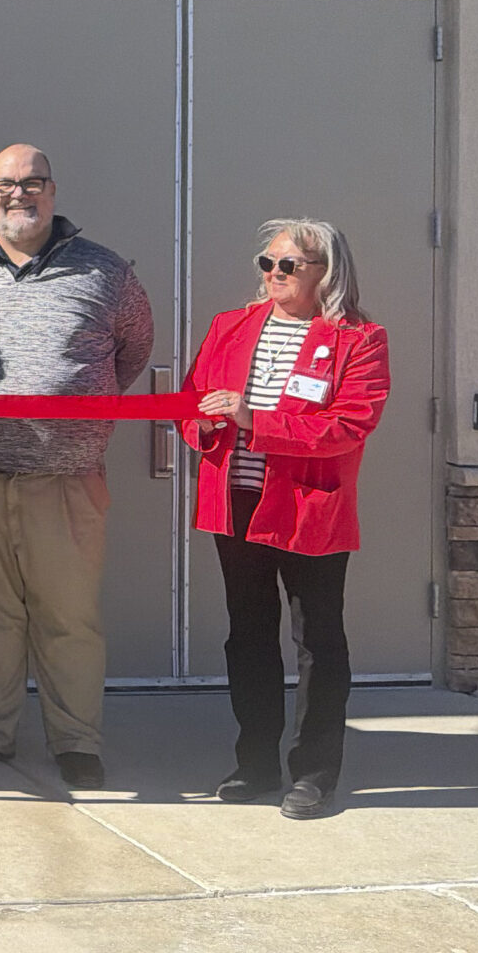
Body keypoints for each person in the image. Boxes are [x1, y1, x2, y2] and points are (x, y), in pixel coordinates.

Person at [0, 145, 153, 792]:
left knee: (68, 617)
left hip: (66, 482)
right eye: (5, 184)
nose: (19, 195)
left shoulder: (105, 273)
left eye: (33, 183)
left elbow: (131, 354)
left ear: (53, 189)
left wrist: (76, 411)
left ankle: (77, 742)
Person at [184, 220, 388, 820]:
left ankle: (315, 774)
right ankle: (255, 764)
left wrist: (254, 422)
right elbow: (194, 400)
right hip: (236, 502)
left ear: (327, 271)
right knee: (247, 636)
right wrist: (203, 425)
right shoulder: (231, 325)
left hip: (306, 508)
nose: (272, 274)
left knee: (317, 642)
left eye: (289, 265)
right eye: (267, 262)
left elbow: (348, 427)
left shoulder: (360, 339)